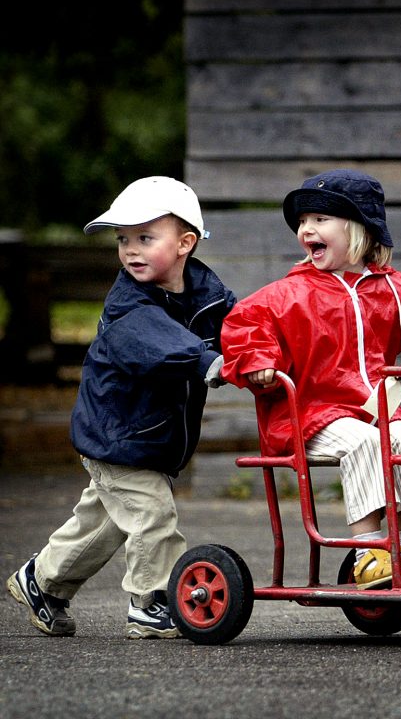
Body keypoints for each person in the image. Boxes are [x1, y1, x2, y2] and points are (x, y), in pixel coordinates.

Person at [6, 177, 237, 638]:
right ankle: (152, 601)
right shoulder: (128, 306)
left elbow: (239, 321)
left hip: (149, 438)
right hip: (116, 435)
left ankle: (42, 580)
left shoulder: (204, 293)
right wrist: (208, 361)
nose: (130, 249)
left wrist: (264, 343)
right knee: (152, 513)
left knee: (104, 522)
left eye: (145, 238)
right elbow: (159, 342)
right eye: (123, 240)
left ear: (185, 243)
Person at [219, 169, 401, 591]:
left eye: (319, 219)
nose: (306, 230)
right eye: (303, 222)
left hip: (371, 406)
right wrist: (260, 361)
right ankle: (368, 551)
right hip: (309, 414)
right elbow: (245, 325)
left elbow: (394, 338)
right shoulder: (289, 293)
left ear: (358, 230)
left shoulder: (392, 289)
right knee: (367, 443)